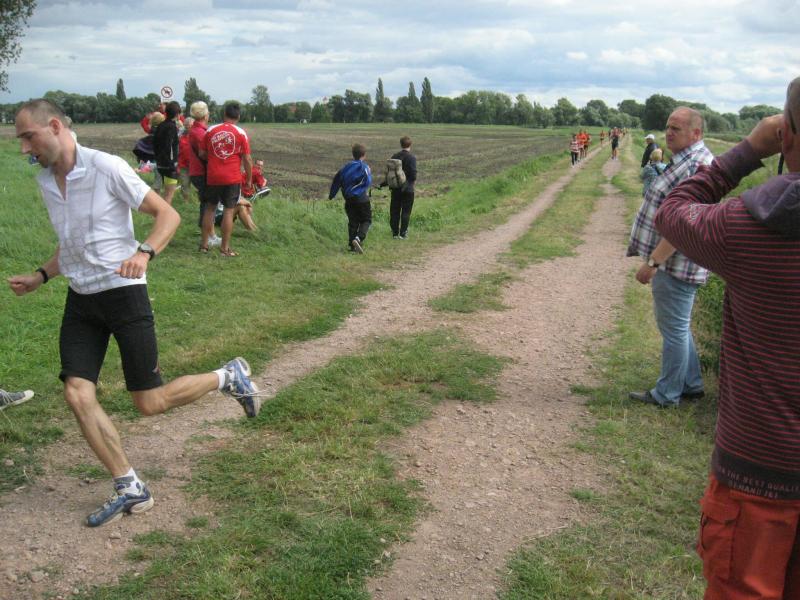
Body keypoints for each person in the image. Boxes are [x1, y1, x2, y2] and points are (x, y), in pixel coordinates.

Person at [9, 99, 260, 528]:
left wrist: (144, 252)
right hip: (82, 299)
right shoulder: (47, 181)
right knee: (76, 393)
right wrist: (41, 275)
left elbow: (168, 214)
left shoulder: (105, 167)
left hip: (124, 294)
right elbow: (72, 243)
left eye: (28, 137)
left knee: (149, 402)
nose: (24, 148)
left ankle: (227, 377)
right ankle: (129, 485)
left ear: (54, 127)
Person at [654, 78, 800, 600]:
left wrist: (745, 153)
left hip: (760, 472)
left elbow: (674, 210)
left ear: (785, 135)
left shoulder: (752, 226)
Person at [626, 107, 713, 407]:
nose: (669, 133)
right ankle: (691, 384)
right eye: (668, 127)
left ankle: (667, 394)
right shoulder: (687, 160)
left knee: (673, 329)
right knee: (679, 326)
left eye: (676, 128)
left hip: (676, 264)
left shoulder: (697, 166)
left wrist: (653, 262)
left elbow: (684, 224)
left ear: (696, 133)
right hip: (677, 262)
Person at [199, 102, 252, 257]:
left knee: (210, 209)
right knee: (229, 211)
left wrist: (213, 159)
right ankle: (225, 249)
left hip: (213, 176)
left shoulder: (210, 130)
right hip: (232, 177)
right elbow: (247, 159)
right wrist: (249, 179)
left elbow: (202, 153)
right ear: (238, 116)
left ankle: (204, 245)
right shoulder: (241, 133)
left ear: (224, 115)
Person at [187, 101, 220, 249]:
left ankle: (211, 235)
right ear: (206, 115)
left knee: (207, 203)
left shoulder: (196, 130)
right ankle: (208, 237)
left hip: (196, 171)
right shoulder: (200, 133)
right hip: (202, 171)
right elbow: (205, 154)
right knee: (208, 205)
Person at [329, 143, 372, 254]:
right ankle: (358, 238)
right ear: (364, 155)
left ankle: (352, 247)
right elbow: (368, 181)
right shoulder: (365, 167)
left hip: (349, 199)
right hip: (361, 198)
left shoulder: (345, 167)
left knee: (353, 222)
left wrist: (332, 195)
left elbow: (336, 181)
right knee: (366, 220)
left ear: (353, 155)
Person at [152, 101, 182, 205]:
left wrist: (158, 159)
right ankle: (163, 214)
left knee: (166, 194)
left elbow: (155, 144)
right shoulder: (172, 127)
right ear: (177, 114)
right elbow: (169, 146)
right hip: (169, 166)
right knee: (168, 195)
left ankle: (160, 212)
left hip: (160, 164)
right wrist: (173, 163)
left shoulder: (161, 125)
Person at [389, 136, 417, 239]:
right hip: (408, 189)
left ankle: (395, 233)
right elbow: (413, 175)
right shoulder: (411, 157)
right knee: (406, 212)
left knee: (394, 211)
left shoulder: (394, 156)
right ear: (410, 144)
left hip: (396, 188)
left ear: (401, 144)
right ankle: (403, 233)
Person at [177, 116, 194, 202]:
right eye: (187, 125)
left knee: (198, 184)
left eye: (190, 125)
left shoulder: (197, 136)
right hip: (183, 165)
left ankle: (199, 200)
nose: (188, 127)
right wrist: (177, 165)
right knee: (185, 183)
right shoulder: (180, 136)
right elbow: (177, 151)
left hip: (195, 165)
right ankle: (185, 201)